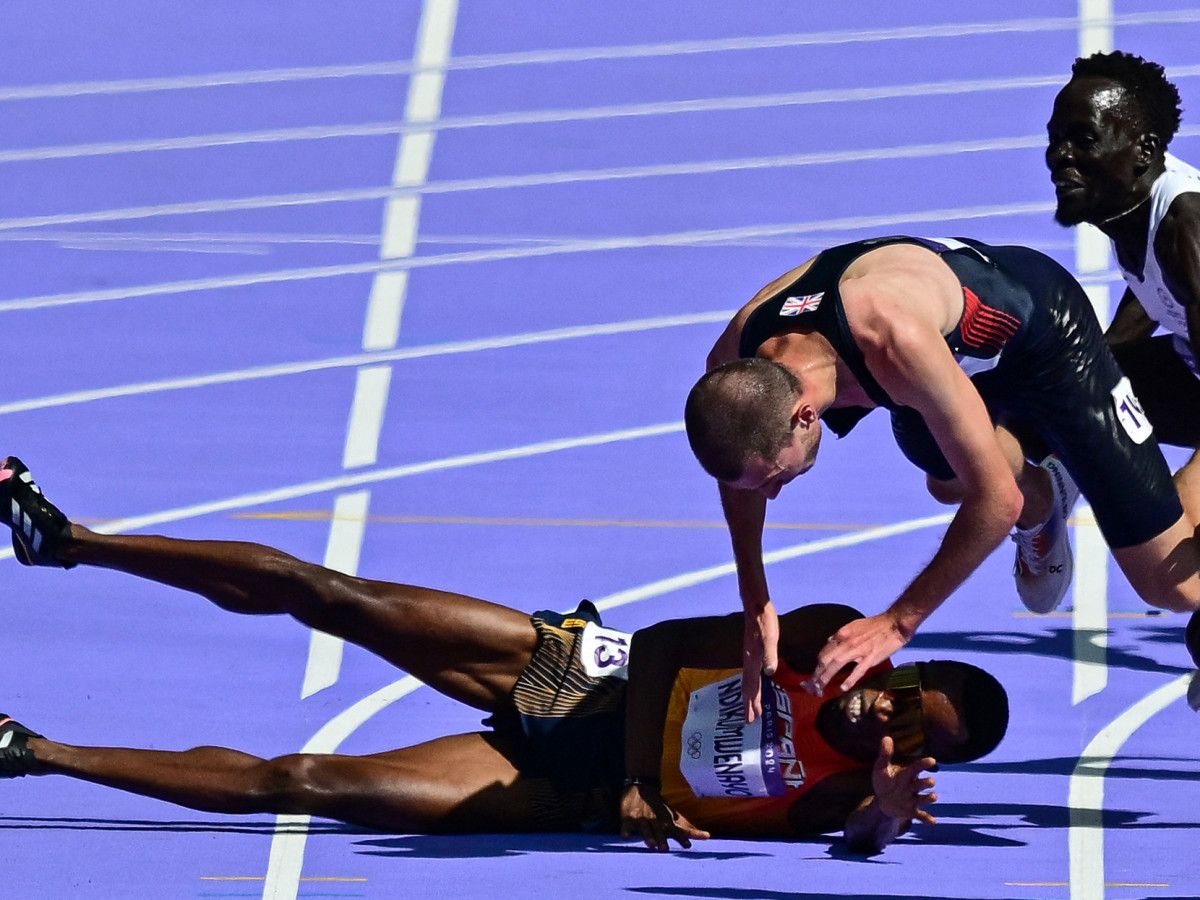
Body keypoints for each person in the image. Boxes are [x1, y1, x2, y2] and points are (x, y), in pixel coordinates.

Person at [0, 456, 1008, 854]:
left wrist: (877, 822)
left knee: (304, 780)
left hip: (559, 791)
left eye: (916, 734)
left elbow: (851, 844)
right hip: (588, 680)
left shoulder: (851, 795)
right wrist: (631, 780)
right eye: (908, 696)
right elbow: (658, 648)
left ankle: (28, 750)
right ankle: (72, 543)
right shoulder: (830, 634)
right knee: (330, 594)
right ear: (904, 671)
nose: (888, 715)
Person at [684, 233, 1200, 717]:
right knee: (945, 479)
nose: (772, 492)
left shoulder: (892, 343)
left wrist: (898, 622)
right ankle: (1047, 489)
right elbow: (741, 478)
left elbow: (997, 504)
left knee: (1171, 588)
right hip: (954, 353)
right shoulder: (733, 362)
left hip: (1046, 337)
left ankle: (1049, 473)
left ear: (805, 415)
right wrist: (756, 601)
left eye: (775, 476)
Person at [1046, 50, 1200, 670]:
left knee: (1174, 573)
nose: (1061, 155)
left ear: (1143, 149)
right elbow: (1154, 301)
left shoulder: (1187, 227)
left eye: (1082, 139)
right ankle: (1057, 476)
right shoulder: (1126, 205)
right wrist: (1091, 367)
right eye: (1056, 139)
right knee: (1055, 373)